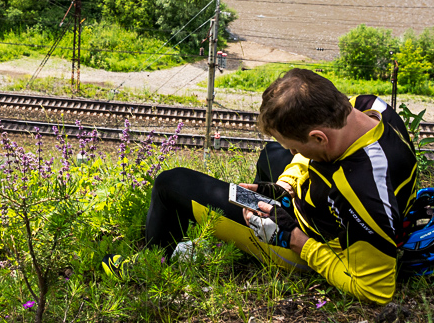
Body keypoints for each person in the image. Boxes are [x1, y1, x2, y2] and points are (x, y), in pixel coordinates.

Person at [138, 68, 418, 304]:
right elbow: (308, 159)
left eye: (298, 147)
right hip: (319, 208)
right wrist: (284, 185)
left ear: (320, 138)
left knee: (170, 184)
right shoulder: (369, 107)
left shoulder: (361, 190)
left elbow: (375, 290)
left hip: (306, 243)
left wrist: (297, 241)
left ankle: (150, 264)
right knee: (273, 154)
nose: (295, 152)